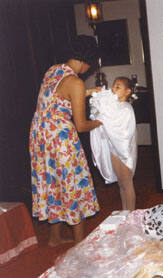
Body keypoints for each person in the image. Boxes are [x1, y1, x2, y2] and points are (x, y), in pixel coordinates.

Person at [29, 35, 101, 246]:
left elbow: (59, 96)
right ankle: (80, 245)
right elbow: (81, 126)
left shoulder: (53, 70)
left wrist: (88, 92)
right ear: (85, 59)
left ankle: (55, 237)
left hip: (40, 137)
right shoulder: (76, 82)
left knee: (53, 183)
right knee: (73, 186)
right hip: (61, 141)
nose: (89, 69)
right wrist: (98, 122)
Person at [89, 77, 138, 211]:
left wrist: (102, 117)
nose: (113, 89)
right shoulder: (114, 106)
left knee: (127, 183)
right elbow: (105, 117)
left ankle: (131, 213)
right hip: (113, 148)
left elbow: (119, 128)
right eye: (113, 86)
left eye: (118, 87)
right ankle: (125, 211)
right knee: (121, 183)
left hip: (124, 150)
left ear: (127, 92)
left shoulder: (127, 108)